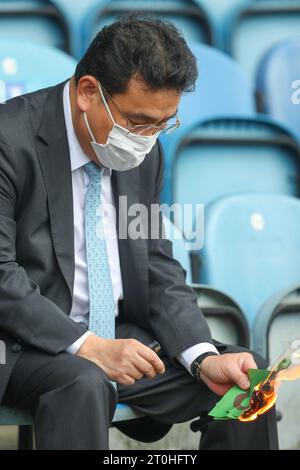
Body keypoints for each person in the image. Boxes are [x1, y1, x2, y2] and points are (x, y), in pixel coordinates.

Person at [0, 15, 278, 450]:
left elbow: (155, 265)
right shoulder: (7, 140)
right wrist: (88, 345)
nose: (148, 139)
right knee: (83, 380)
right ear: (88, 92)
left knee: (245, 380)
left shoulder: (144, 152)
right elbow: (1, 274)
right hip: (19, 344)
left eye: (163, 125)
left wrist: (201, 356)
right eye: (138, 122)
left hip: (117, 335)